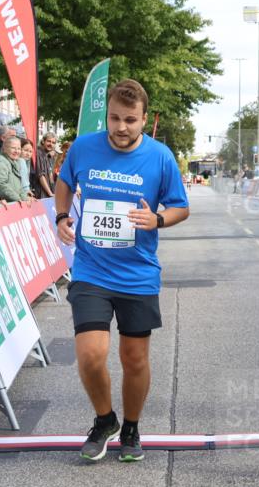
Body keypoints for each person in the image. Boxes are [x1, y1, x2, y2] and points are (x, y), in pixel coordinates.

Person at [55, 78, 189, 463]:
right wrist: (62, 216)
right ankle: (104, 420)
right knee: (91, 355)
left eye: (130, 119)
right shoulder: (84, 147)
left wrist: (158, 219)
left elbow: (181, 207)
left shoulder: (160, 157)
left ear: (144, 119)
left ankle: (131, 427)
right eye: (114, 118)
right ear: (107, 115)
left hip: (137, 275)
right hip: (91, 271)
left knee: (134, 359)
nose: (121, 127)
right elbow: (64, 183)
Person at [33, 134, 57, 198]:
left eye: (53, 142)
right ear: (43, 141)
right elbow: (41, 175)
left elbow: (51, 176)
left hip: (49, 193)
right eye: (49, 141)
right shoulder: (38, 153)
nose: (51, 144)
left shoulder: (49, 156)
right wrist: (50, 193)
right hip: (41, 193)